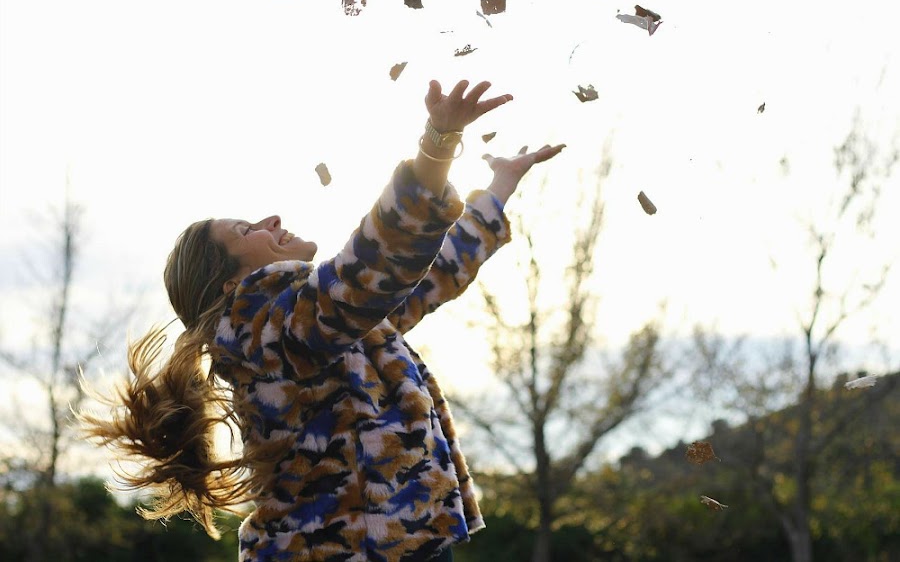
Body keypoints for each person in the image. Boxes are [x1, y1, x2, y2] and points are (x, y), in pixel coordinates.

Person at [80, 78, 565, 562]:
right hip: (350, 548)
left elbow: (427, 272)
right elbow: (375, 265)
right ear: (230, 285)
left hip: (390, 540)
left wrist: (502, 182)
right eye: (247, 230)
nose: (270, 219)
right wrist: (437, 144)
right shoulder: (263, 327)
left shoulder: (323, 321)